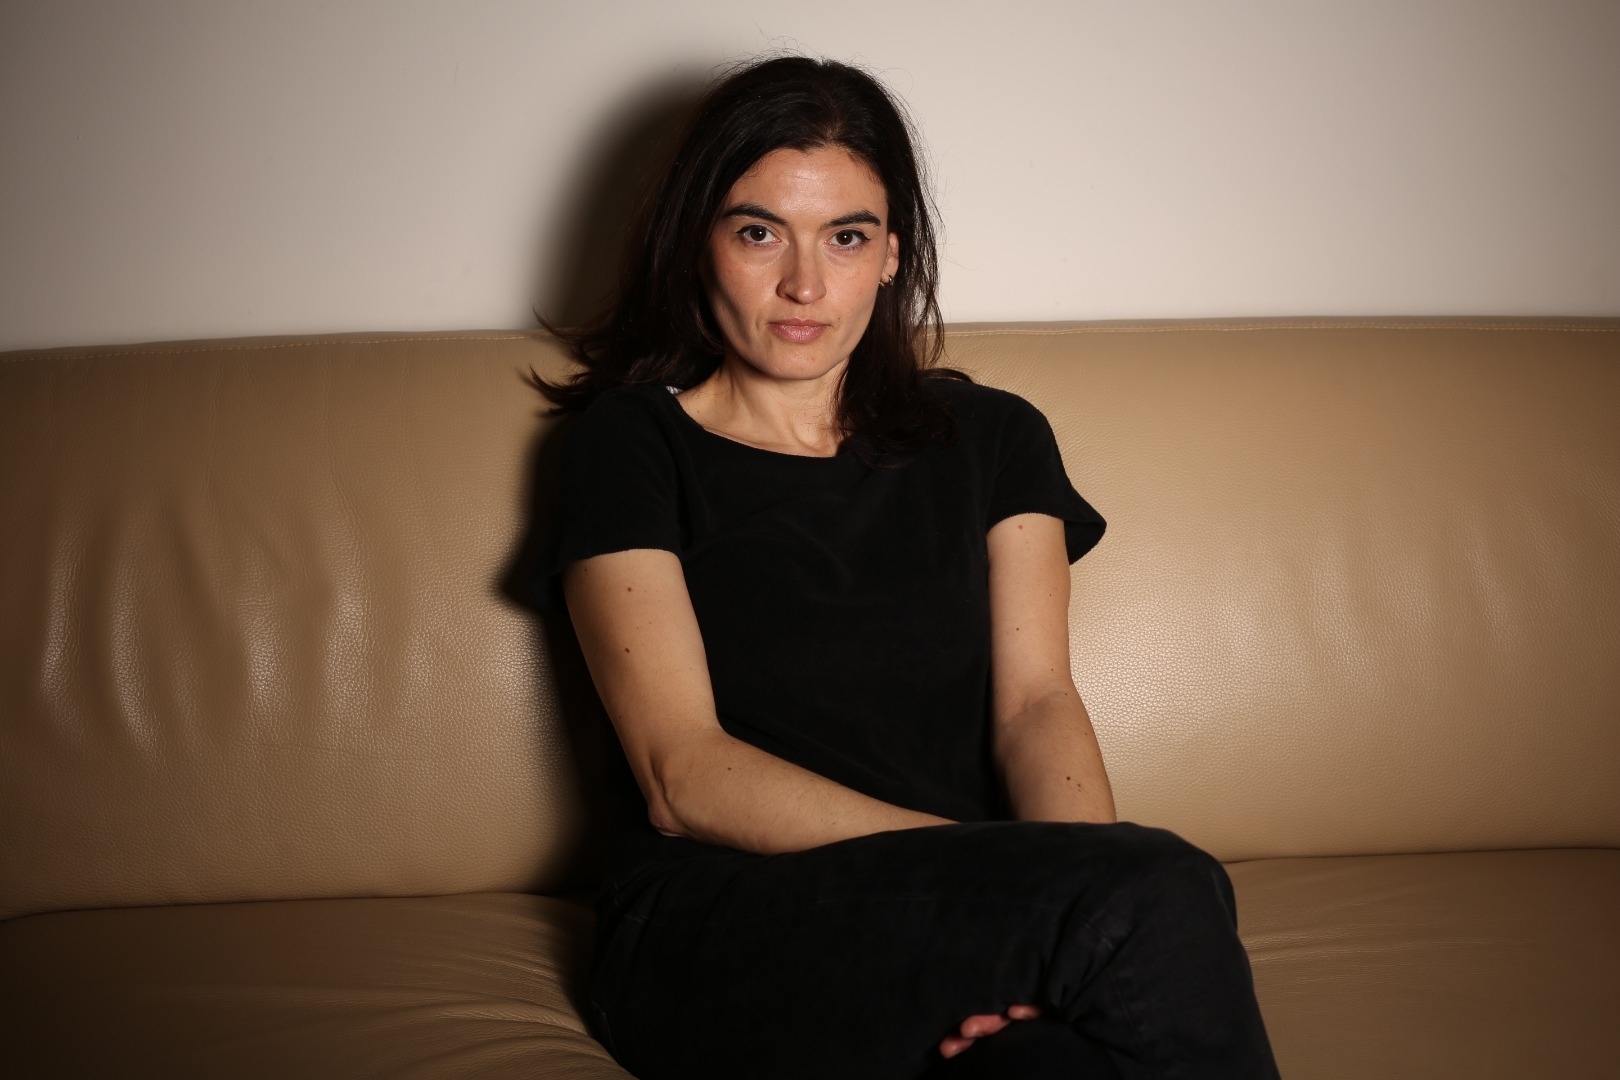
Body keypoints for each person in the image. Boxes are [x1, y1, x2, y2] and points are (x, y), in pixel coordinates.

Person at [530, 55, 1279, 1080]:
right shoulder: (630, 444)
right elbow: (681, 773)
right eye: (759, 232)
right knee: (1158, 887)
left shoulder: (994, 437)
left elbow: (1036, 705)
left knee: (1052, 1060)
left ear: (891, 255)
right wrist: (1004, 882)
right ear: (696, 240)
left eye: (846, 237)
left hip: (963, 911)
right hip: (715, 919)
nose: (805, 284)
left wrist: (1043, 895)